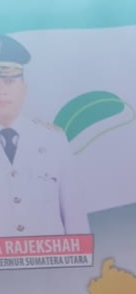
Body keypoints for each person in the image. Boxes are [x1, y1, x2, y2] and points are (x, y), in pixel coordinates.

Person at [0, 34, 89, 237]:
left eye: (9, 81)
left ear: (24, 88)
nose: (1, 90)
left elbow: (74, 215)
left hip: (49, 256)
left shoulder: (53, 140)